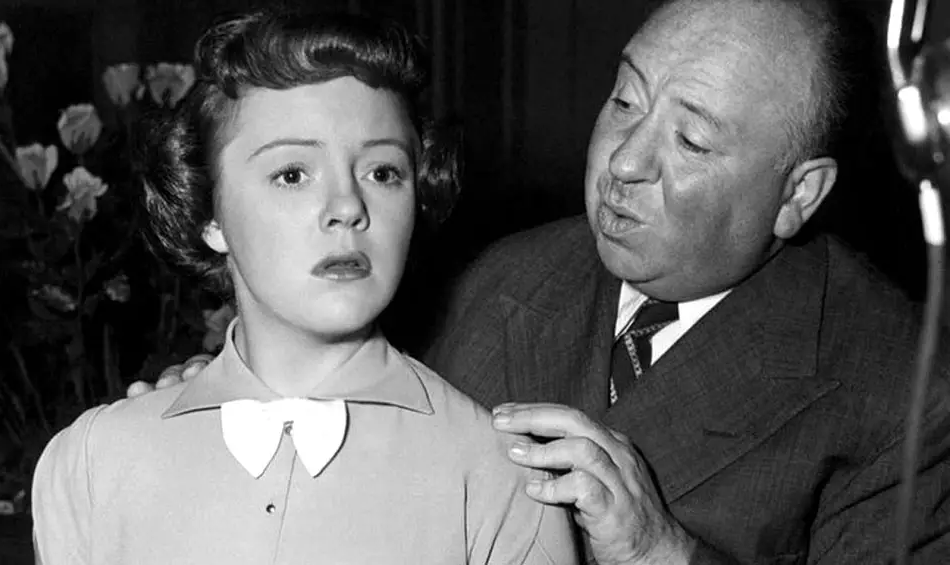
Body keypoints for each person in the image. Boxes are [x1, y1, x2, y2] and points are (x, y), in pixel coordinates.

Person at [137, 0, 950, 563]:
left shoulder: (906, 385)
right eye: (625, 101)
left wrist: (659, 550)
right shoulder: (499, 275)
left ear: (798, 194)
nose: (624, 163)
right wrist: (240, 399)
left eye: (691, 143)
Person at [31, 9, 578, 565]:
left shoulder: (501, 478)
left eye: (383, 172)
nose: (347, 207)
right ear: (209, 216)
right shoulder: (92, 464)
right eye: (292, 174)